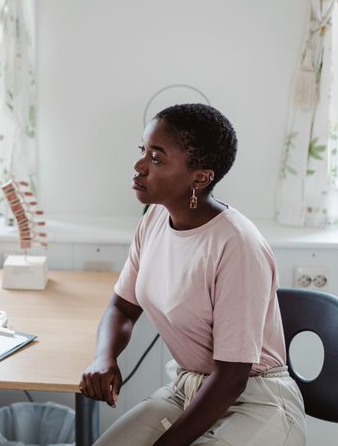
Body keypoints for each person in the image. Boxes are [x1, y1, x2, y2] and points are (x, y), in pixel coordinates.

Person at [80, 104, 307, 445]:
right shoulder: (155, 220)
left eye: (157, 158)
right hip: (189, 388)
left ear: (200, 177)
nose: (139, 166)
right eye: (143, 151)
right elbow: (122, 308)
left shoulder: (237, 246)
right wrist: (104, 358)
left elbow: (232, 377)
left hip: (257, 400)